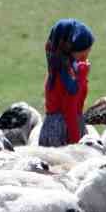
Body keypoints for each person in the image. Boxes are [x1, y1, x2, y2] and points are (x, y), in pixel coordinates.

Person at [40, 18, 94, 146]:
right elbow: (70, 108)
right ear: (71, 49)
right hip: (65, 132)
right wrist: (76, 143)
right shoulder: (66, 76)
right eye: (84, 50)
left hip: (57, 128)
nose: (88, 53)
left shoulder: (59, 68)